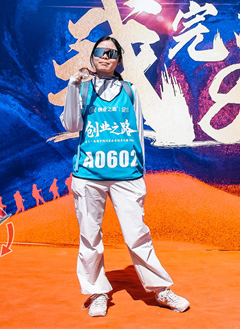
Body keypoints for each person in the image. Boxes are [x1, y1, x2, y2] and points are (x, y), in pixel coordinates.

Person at [61, 35, 190, 317]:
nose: (105, 57)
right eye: (100, 52)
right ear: (92, 56)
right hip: (89, 173)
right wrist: (72, 88)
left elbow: (138, 133)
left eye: (112, 53)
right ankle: (97, 292)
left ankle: (160, 289)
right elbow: (71, 125)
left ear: (119, 59)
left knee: (137, 235)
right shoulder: (82, 89)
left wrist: (139, 171)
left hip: (126, 174)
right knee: (89, 237)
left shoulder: (130, 90)